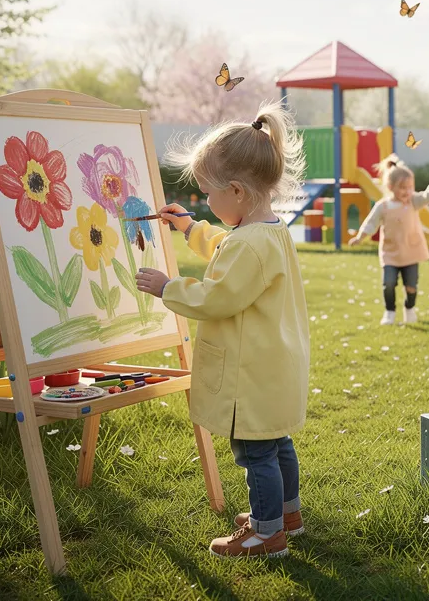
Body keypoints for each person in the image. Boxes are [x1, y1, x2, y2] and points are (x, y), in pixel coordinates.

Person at [134, 102, 310, 560]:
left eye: (208, 194)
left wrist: (168, 287)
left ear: (236, 191)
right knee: (276, 443)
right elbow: (226, 246)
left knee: (256, 454)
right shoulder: (268, 231)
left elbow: (218, 296)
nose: (203, 201)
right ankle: (287, 514)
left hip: (249, 373)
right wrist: (193, 228)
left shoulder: (249, 245)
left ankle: (267, 533)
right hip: (273, 367)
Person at [348, 155, 429, 325]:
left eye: (410, 187)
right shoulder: (383, 206)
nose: (407, 191)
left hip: (411, 251)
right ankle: (390, 312)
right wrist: (360, 237)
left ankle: (409, 309)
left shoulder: (413, 201)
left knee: (411, 286)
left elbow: (428, 196)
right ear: (390, 187)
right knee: (388, 283)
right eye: (402, 188)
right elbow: (370, 223)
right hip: (390, 253)